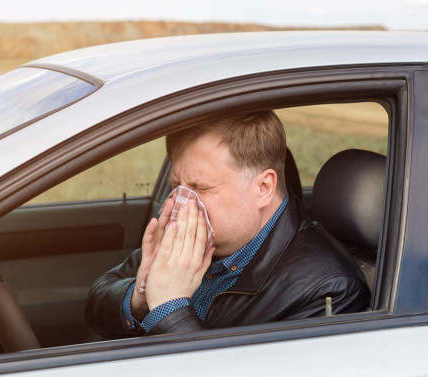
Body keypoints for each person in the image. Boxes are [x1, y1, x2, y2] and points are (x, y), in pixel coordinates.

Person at [85, 111, 371, 338]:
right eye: (175, 186)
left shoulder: (329, 290)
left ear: (263, 187)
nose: (182, 203)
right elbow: (95, 302)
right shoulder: (197, 235)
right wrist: (140, 296)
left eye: (201, 187)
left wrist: (169, 308)